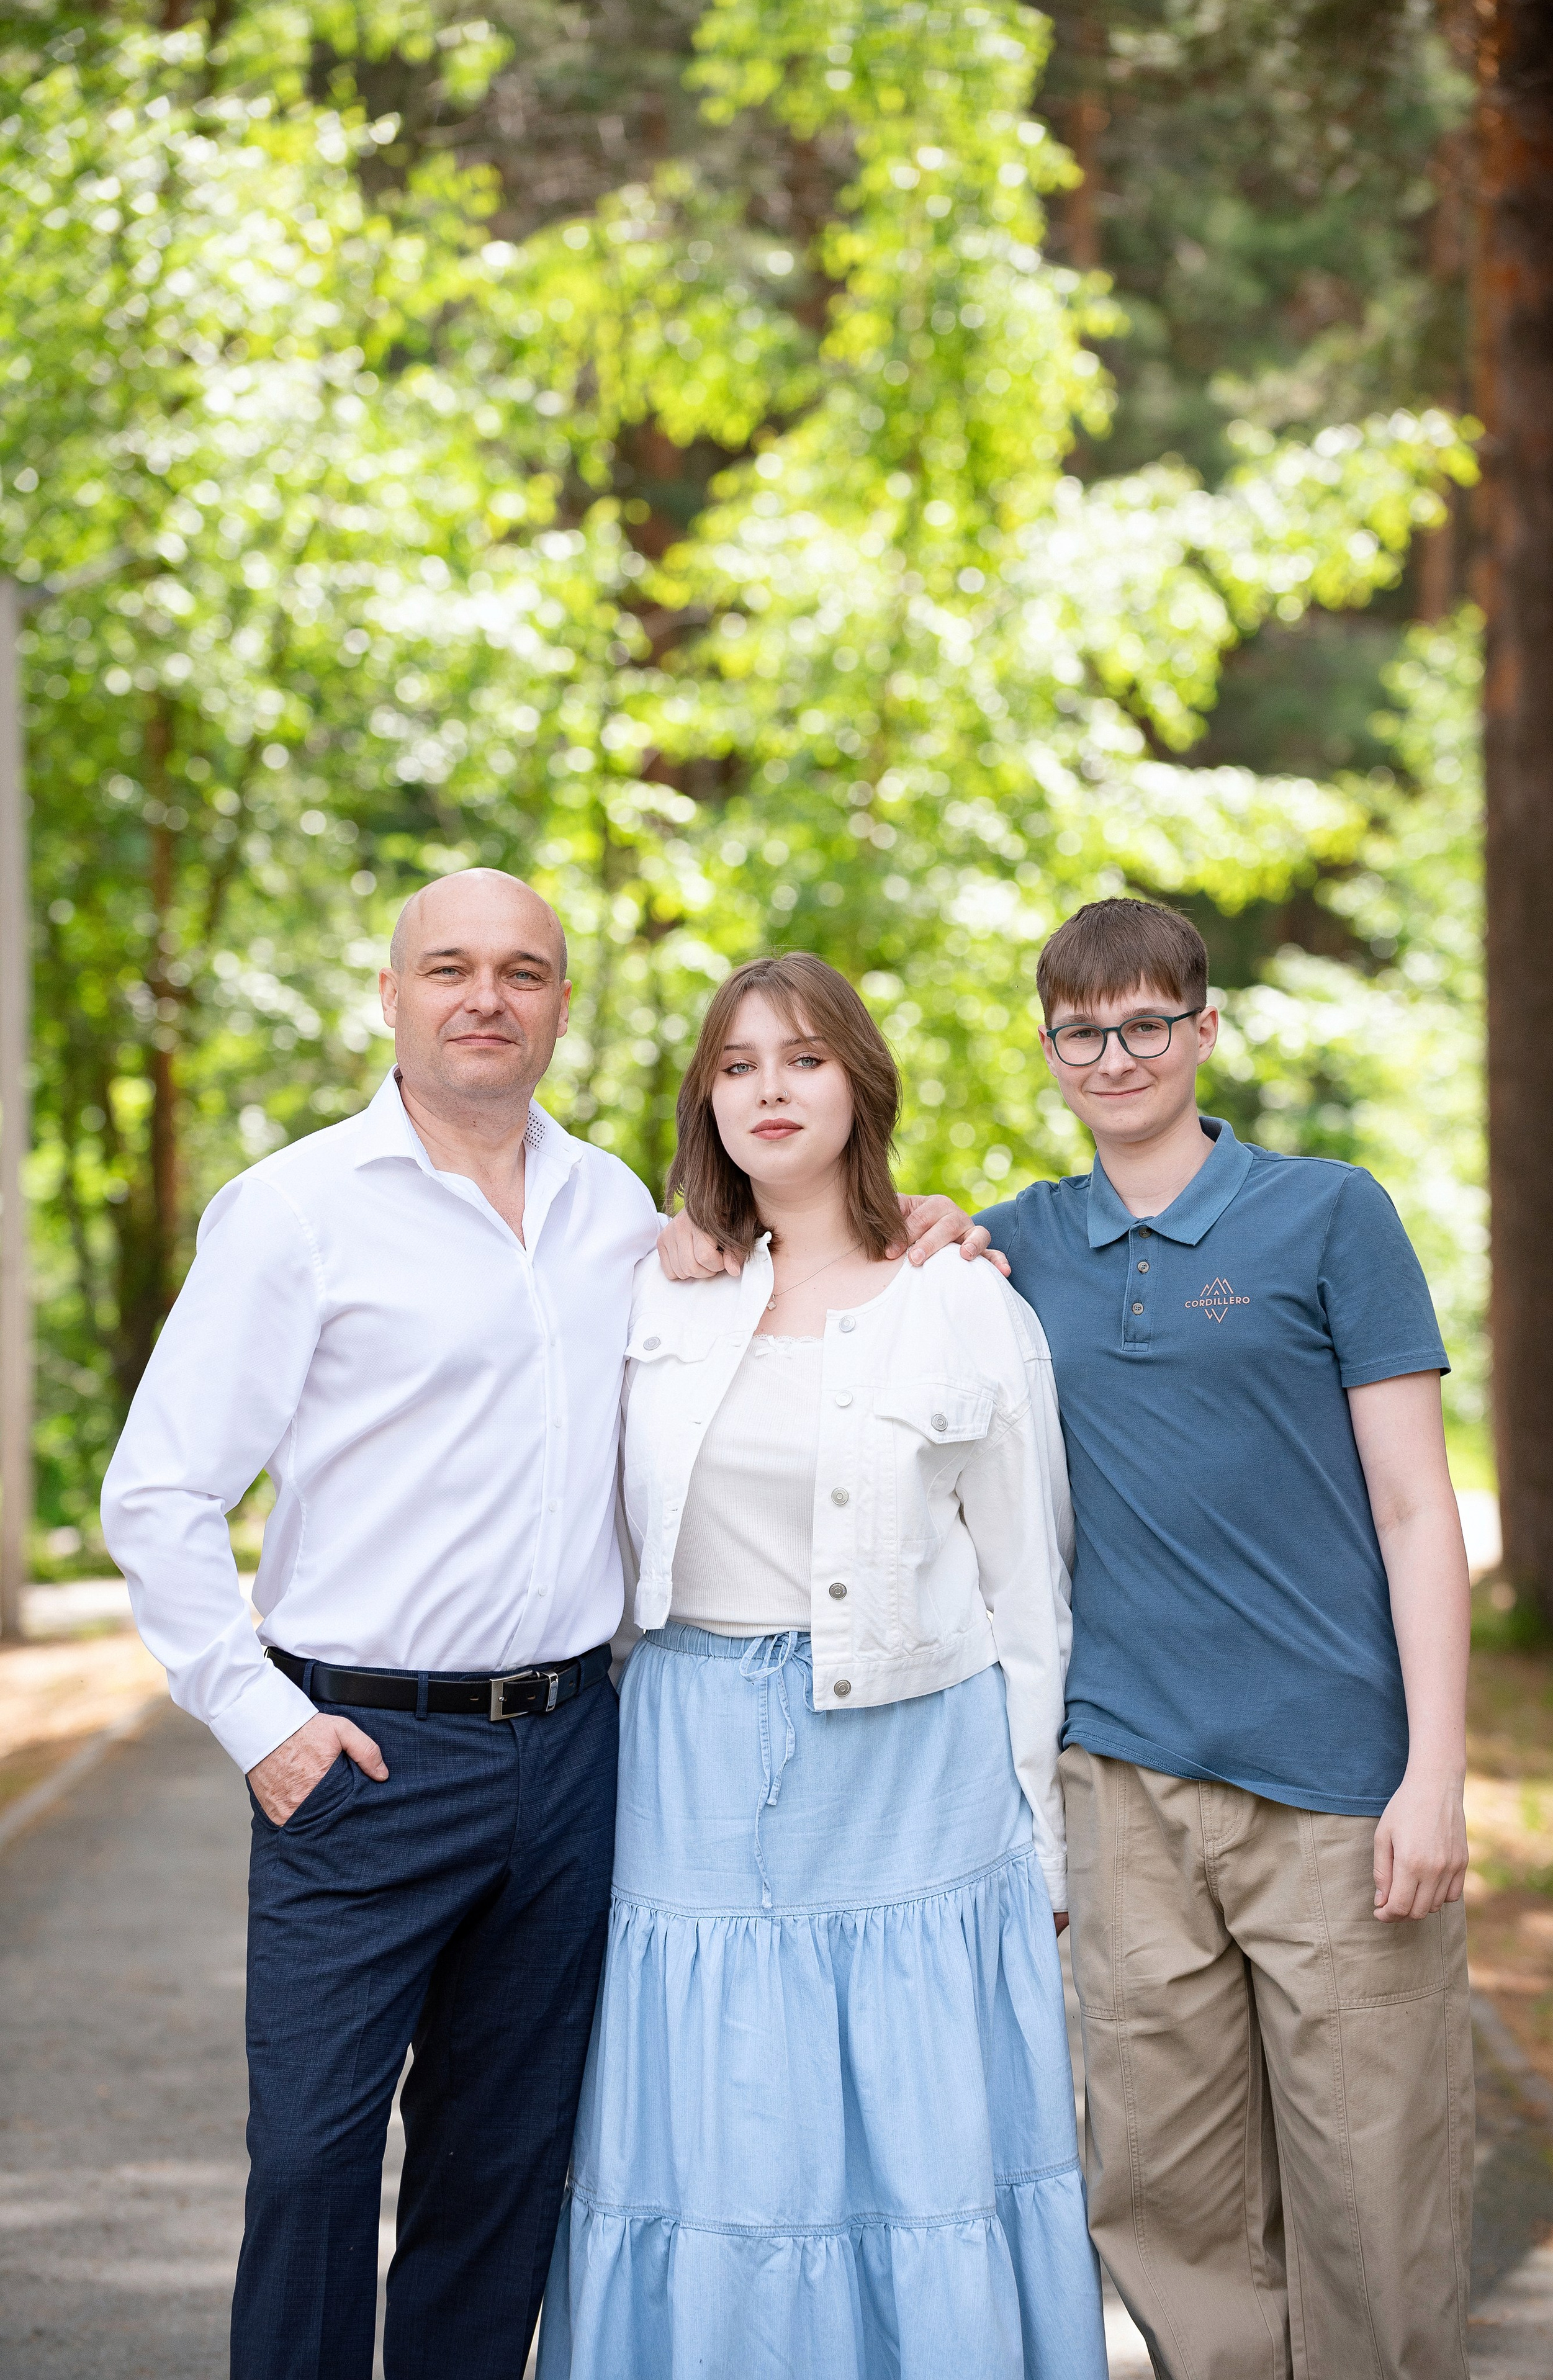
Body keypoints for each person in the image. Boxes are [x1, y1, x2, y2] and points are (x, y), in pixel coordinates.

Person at [99, 868, 982, 2380]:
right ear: (392, 997)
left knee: (497, 2177)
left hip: (573, 1757)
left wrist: (931, 1229)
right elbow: (159, 1492)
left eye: (522, 971)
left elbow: (784, 1290)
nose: (485, 997)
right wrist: (264, 1725)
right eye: (448, 967)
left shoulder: (620, 1215)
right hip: (354, 1755)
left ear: (562, 1008)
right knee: (311, 2162)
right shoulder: (296, 1211)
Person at [538, 953, 1109, 2380]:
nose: (770, 1089)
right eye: (736, 1065)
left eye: (801, 1058)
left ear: (858, 1082)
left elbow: (1025, 1596)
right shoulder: (652, 1292)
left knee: (910, 2137)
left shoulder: (959, 1297)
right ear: (705, 1102)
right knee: (718, 2125)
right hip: (690, 1755)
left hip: (912, 1761)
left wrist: (1035, 1843)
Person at [977, 897, 1474, 2380]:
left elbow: (1411, 1507)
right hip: (1122, 1785)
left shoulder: (1328, 1212)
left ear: (1202, 1029)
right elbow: (824, 1265)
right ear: (1050, 1050)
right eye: (1082, 1030)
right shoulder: (1011, 1246)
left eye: (1144, 1022)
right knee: (1163, 2199)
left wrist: (1433, 1772)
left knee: (1372, 2195)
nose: (1114, 1053)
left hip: (1336, 1786)